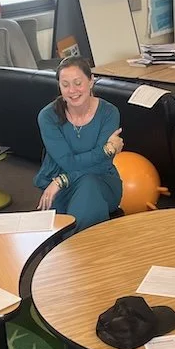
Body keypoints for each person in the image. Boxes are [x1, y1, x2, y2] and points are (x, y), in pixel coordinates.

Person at [34, 56, 123, 231]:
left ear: (91, 81)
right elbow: (67, 162)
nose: (72, 90)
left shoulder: (109, 113)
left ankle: (75, 253)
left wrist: (62, 180)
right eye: (65, 85)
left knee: (89, 186)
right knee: (84, 194)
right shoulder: (47, 116)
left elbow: (101, 166)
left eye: (78, 83)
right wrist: (105, 151)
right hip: (58, 184)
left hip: (100, 181)